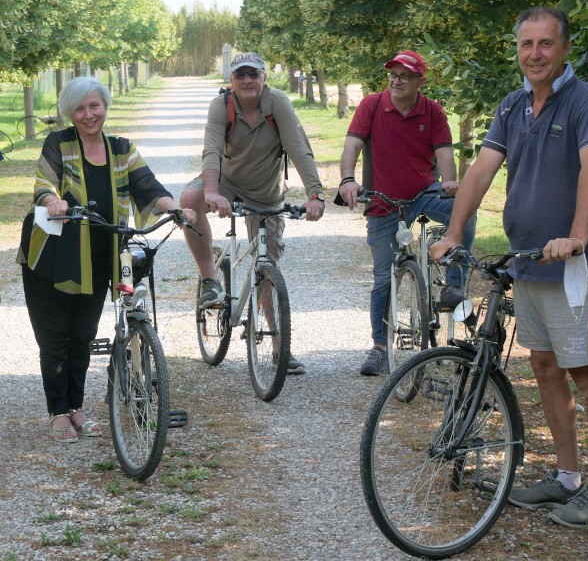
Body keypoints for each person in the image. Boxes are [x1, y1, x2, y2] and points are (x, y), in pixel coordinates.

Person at [430, 7, 588, 528]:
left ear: (564, 49)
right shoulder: (513, 106)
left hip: (573, 268)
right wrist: (452, 232)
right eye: (526, 44)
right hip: (528, 263)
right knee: (545, 367)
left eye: (545, 44)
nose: (535, 54)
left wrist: (578, 238)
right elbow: (481, 171)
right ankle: (566, 478)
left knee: (587, 374)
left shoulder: (587, 99)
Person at [16, 77, 196, 444]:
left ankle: (77, 408)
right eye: (79, 109)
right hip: (52, 255)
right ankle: (58, 413)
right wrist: (53, 201)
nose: (88, 114)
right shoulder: (59, 143)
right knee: (55, 339)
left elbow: (147, 184)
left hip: (100, 254)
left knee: (81, 336)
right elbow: (44, 183)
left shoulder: (121, 148)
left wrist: (176, 208)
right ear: (70, 113)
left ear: (105, 106)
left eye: (94, 106)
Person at [180, 52, 325, 376]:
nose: (247, 80)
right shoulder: (222, 106)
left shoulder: (278, 104)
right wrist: (213, 191)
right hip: (228, 183)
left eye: (253, 75)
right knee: (190, 199)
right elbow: (212, 149)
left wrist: (315, 194)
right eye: (240, 75)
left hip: (266, 193)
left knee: (267, 268)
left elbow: (299, 150)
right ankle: (208, 279)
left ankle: (278, 349)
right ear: (231, 81)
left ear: (263, 78)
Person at [338, 50, 477, 376]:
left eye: (404, 75)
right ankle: (379, 348)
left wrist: (450, 182)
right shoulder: (372, 105)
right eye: (393, 74)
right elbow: (351, 146)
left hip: (424, 194)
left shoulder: (432, 111)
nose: (396, 80)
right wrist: (347, 180)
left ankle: (452, 287)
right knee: (384, 274)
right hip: (383, 200)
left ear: (419, 81)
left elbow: (444, 155)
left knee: (465, 213)